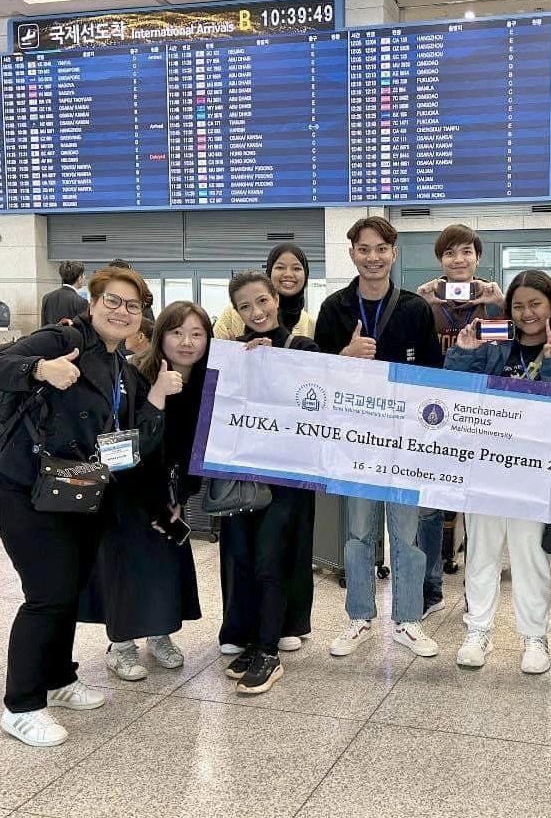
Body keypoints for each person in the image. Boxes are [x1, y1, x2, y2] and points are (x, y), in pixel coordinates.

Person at [0, 265, 179, 747]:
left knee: (69, 589)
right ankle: (21, 705)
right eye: (113, 301)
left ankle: (58, 678)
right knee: (47, 594)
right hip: (26, 489)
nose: (122, 311)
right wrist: (39, 370)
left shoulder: (122, 367)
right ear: (93, 303)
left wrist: (158, 396)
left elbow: (131, 446)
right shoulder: (61, 340)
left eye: (133, 305)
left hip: (79, 489)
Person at [445, 270, 551, 673]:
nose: (527, 313)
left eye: (536, 304)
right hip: (486, 467)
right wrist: (463, 354)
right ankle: (478, 630)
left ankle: (534, 637)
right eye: (519, 306)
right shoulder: (495, 344)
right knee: (481, 553)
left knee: (530, 557)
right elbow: (458, 395)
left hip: (536, 473)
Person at [315, 216, 443, 658]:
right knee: (357, 534)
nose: (373, 257)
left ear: (394, 253)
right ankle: (359, 617)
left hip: (405, 442)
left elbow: (433, 376)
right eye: (364, 249)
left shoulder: (415, 309)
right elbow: (316, 376)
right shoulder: (334, 308)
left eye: (381, 249)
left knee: (406, 535)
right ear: (352, 253)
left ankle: (408, 619)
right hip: (355, 441)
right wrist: (345, 356)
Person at [79, 302, 211, 681]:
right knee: (125, 566)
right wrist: (158, 393)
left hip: (171, 491)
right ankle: (120, 645)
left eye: (197, 334)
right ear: (160, 335)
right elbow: (129, 439)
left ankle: (160, 633)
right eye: (177, 332)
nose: (186, 342)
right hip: (128, 490)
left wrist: (179, 496)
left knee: (165, 565)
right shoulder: (135, 373)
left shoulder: (207, 381)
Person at [216, 243, 317, 658]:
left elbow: (316, 403)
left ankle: (287, 623)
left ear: (276, 299)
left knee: (282, 547)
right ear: (236, 312)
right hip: (242, 466)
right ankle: (237, 626)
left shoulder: (304, 347)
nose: (256, 312)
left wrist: (280, 367)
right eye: (245, 306)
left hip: (290, 469)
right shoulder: (230, 352)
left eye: (261, 301)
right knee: (238, 548)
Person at [415, 223, 505, 617]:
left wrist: (500, 304)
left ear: (478, 258)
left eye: (466, 251)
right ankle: (430, 589)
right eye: (450, 253)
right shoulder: (426, 302)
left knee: (477, 512)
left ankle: (475, 595)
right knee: (430, 509)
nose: (459, 260)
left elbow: (505, 354)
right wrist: (419, 306)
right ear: (440, 260)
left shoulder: (492, 302)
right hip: (434, 416)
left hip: (479, 417)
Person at [213, 243, 315, 341]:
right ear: (269, 272)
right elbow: (213, 348)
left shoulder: (309, 324)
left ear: (305, 275)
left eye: (296, 268)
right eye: (280, 267)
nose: (288, 274)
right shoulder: (233, 314)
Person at [40, 260, 88, 326]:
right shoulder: (81, 302)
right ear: (79, 278)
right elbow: (83, 328)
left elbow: (43, 326)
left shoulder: (47, 297)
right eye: (84, 275)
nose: (85, 277)